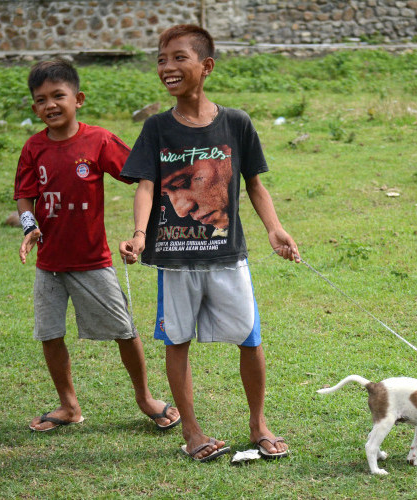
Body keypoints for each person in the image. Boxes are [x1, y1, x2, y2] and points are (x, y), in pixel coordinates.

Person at [119, 24, 299, 462]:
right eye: (162, 59)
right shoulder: (158, 128)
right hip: (175, 260)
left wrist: (274, 228)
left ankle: (258, 423)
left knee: (250, 339)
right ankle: (193, 432)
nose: (168, 67)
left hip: (226, 256)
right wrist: (141, 235)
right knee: (176, 340)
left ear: (206, 66)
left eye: (180, 58)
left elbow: (254, 185)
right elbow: (145, 186)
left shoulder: (235, 123)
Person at [14, 59, 180, 432]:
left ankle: (145, 397)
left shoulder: (98, 140)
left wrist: (141, 232)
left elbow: (141, 176)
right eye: (41, 100)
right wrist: (30, 225)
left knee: (124, 330)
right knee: (50, 334)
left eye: (58, 96)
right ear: (34, 107)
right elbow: (25, 196)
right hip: (49, 264)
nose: (50, 105)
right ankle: (69, 406)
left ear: (79, 98)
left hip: (93, 261)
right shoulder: (33, 148)